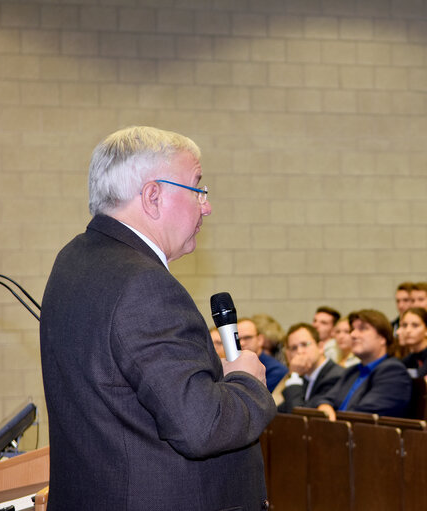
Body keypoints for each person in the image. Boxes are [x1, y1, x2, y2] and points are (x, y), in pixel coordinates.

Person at [40, 126, 276, 510]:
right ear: (153, 196)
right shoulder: (144, 285)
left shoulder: (74, 259)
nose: (207, 205)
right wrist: (246, 382)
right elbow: (202, 426)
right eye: (198, 188)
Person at [317, 309, 412, 420]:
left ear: (382, 338)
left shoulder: (393, 372)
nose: (353, 334)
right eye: (353, 329)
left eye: (362, 329)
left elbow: (363, 416)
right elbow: (326, 399)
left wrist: (332, 421)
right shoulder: (353, 371)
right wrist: (325, 407)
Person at [277, 323, 345, 413]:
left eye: (304, 345)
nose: (299, 352)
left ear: (320, 347)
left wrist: (294, 375)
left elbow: (300, 416)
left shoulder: (336, 376)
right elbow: (279, 413)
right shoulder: (304, 377)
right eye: (294, 348)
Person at [238, 317, 289, 392]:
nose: (241, 343)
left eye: (247, 338)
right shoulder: (231, 366)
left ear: (260, 340)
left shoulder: (276, 371)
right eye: (237, 339)